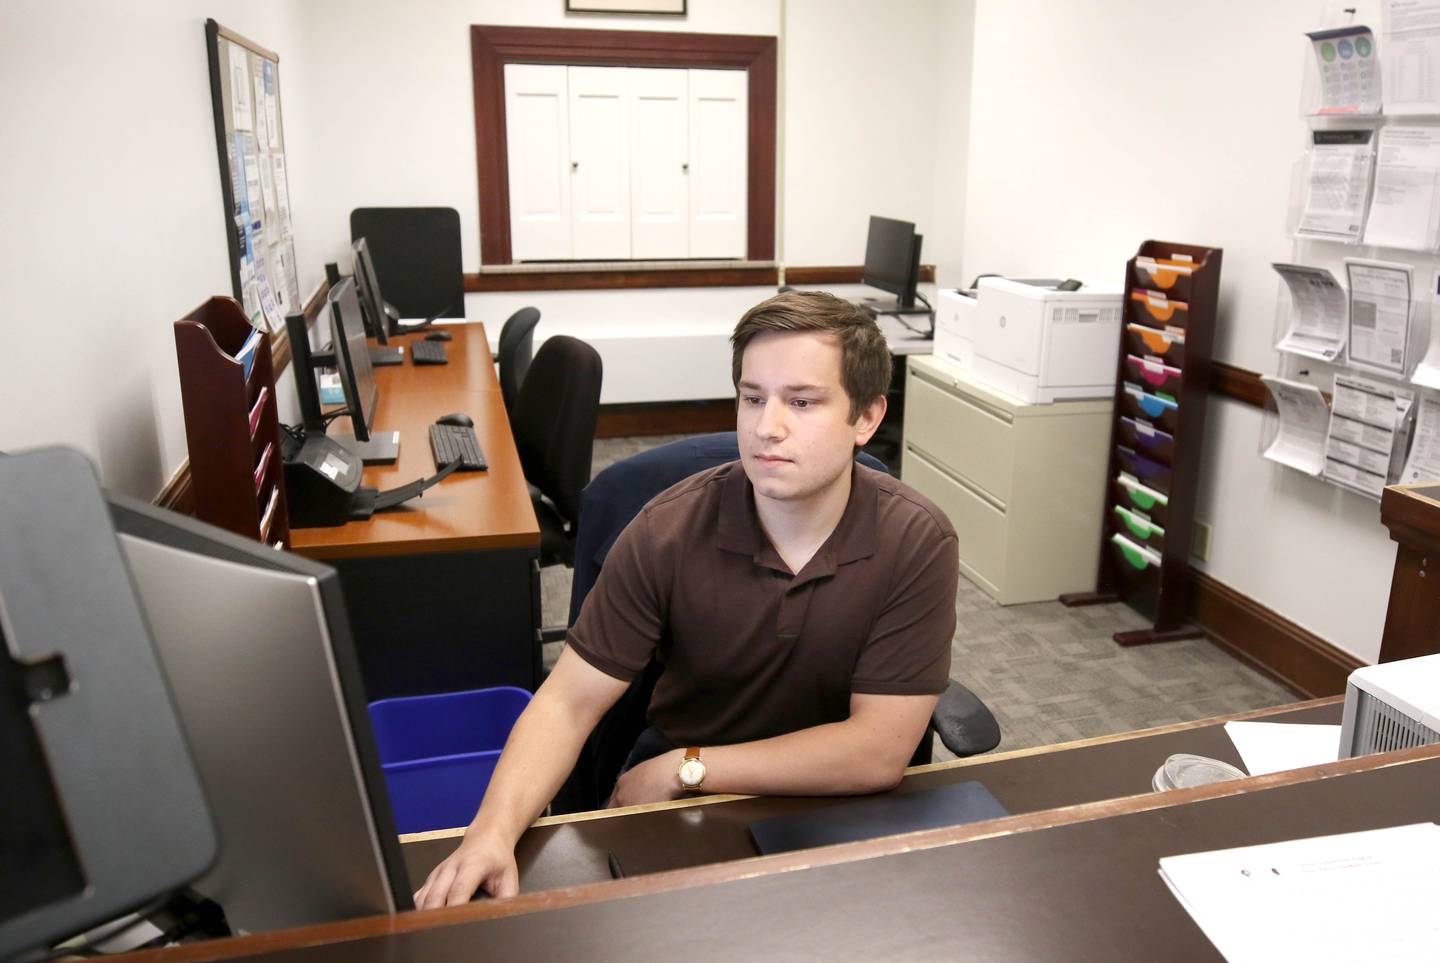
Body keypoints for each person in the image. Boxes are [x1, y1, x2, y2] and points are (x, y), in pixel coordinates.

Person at [414, 291, 959, 908]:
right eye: (752, 398)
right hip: (690, 816)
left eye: (801, 402)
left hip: (837, 808)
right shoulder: (667, 529)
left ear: (866, 417)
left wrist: (688, 765)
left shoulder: (916, 539)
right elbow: (566, 702)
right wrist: (490, 833)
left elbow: (879, 750)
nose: (766, 426)